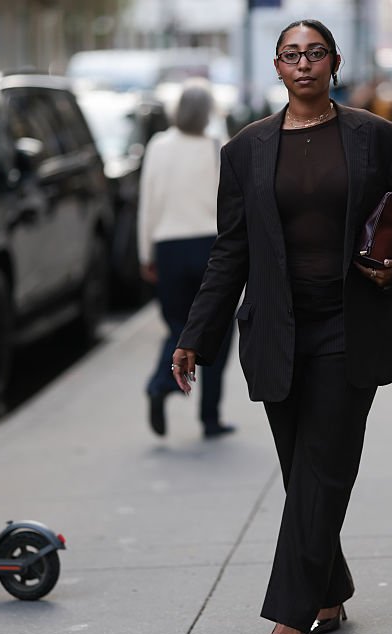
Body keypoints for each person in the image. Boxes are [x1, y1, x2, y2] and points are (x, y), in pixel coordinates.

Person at [170, 19, 392, 634]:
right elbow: (229, 252)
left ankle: (291, 611)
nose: (304, 64)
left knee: (322, 467)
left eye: (315, 53)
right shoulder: (245, 151)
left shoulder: (379, 138)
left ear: (334, 62)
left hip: (352, 328)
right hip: (276, 332)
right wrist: (195, 336)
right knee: (303, 473)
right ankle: (328, 589)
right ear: (277, 66)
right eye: (292, 55)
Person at [138, 80, 235, 438]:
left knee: (178, 325)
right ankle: (210, 417)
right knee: (219, 331)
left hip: (169, 248)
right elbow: (229, 205)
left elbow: (148, 203)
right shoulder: (216, 147)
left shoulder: (158, 147)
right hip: (211, 247)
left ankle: (161, 384)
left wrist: (146, 253)